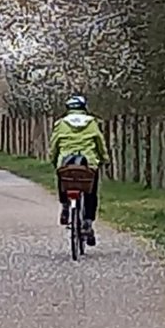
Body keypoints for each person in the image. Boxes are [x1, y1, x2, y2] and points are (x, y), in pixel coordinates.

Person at [49, 94, 108, 244]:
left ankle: (65, 205)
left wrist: (54, 160)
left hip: (66, 161)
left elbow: (54, 144)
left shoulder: (61, 123)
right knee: (91, 192)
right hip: (88, 163)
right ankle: (88, 222)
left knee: (63, 178)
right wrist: (104, 158)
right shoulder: (92, 123)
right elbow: (99, 142)